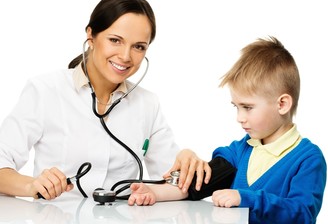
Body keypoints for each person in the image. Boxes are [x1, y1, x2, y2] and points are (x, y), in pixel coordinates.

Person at [0, 0, 209, 200]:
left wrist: (185, 160)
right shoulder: (45, 90)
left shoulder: (148, 104)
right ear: (91, 36)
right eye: (115, 40)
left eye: (139, 46)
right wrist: (32, 185)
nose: (126, 56)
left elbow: (171, 180)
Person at [128, 36, 327, 224]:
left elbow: (302, 214)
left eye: (248, 107)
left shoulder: (308, 159)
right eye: (236, 107)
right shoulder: (239, 151)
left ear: (282, 104)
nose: (239, 118)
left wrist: (246, 198)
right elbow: (197, 185)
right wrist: (154, 193)